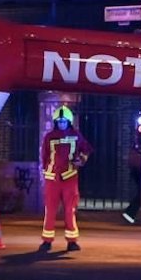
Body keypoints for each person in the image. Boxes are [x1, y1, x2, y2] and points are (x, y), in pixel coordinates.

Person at [39, 105, 92, 253]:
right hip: (52, 178)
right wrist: (45, 171)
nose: (62, 124)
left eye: (64, 121)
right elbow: (44, 155)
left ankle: (72, 241)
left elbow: (86, 149)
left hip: (70, 177)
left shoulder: (76, 135)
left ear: (69, 121)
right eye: (59, 121)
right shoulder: (49, 136)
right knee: (50, 211)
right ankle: (47, 241)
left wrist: (81, 160)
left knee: (70, 210)